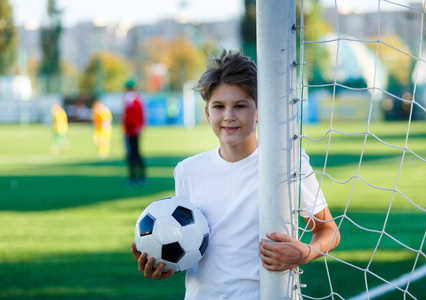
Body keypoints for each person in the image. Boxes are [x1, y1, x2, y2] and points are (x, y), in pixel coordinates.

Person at [131, 50, 340, 299]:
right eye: (219, 106)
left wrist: (304, 253)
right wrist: (168, 266)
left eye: (240, 106)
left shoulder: (288, 164)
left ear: (260, 111)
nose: (229, 116)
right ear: (208, 114)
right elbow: (191, 244)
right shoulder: (187, 171)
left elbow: (329, 231)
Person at [122, 80, 146, 187]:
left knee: (132, 154)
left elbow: (129, 117)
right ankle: (141, 176)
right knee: (136, 153)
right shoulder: (137, 98)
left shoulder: (130, 99)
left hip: (130, 131)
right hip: (135, 130)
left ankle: (134, 177)